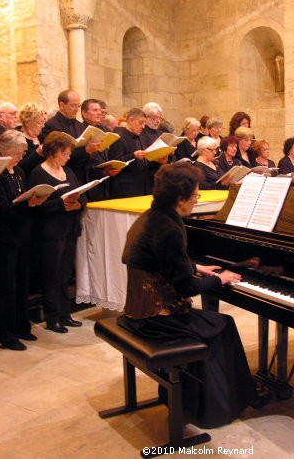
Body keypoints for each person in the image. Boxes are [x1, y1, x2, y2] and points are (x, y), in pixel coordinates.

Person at [118, 162, 267, 428]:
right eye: (196, 195)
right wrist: (219, 279)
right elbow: (186, 288)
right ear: (180, 198)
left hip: (138, 310)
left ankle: (205, 396)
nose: (196, 200)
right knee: (224, 324)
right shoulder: (168, 228)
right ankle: (228, 402)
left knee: (216, 323)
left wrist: (195, 266)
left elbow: (152, 260)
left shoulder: (152, 217)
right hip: (156, 319)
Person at [28, 132, 86, 334]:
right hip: (50, 232)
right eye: (65, 153)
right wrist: (61, 204)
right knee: (51, 274)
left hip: (69, 228)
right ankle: (53, 317)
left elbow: (82, 195)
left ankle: (65, 313)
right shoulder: (38, 173)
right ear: (52, 152)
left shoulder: (68, 170)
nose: (68, 157)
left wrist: (78, 204)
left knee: (65, 273)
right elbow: (36, 207)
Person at [0, 131, 47, 350]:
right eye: (17, 153)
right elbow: (2, 208)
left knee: (22, 283)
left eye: (22, 153)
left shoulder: (18, 171)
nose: (20, 157)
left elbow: (21, 198)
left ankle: (21, 326)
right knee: (7, 286)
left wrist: (35, 200)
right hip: (4, 237)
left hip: (22, 234)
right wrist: (26, 204)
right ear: (3, 151)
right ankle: (6, 334)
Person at [42, 89, 101, 184]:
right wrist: (85, 150)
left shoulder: (80, 125)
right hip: (64, 177)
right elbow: (55, 155)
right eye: (73, 105)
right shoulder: (51, 125)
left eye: (78, 105)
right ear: (62, 105)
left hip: (83, 176)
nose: (77, 109)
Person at [108, 108, 166, 198]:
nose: (143, 127)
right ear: (131, 120)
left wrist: (158, 161)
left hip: (143, 185)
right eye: (141, 122)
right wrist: (133, 155)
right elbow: (115, 163)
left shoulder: (138, 136)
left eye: (144, 123)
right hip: (127, 188)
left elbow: (143, 162)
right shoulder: (119, 137)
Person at [17, 102, 46, 177]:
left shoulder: (42, 137)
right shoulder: (16, 139)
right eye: (39, 123)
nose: (43, 126)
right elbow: (18, 167)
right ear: (27, 122)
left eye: (43, 122)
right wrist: (37, 154)